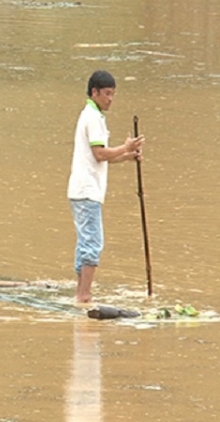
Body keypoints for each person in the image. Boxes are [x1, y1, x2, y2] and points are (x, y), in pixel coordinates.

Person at [67, 70, 145, 303]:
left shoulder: (92, 115)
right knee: (92, 242)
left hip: (81, 190)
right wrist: (126, 146)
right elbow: (100, 153)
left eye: (113, 94)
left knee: (85, 242)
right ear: (95, 92)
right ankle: (84, 295)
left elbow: (102, 157)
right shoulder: (92, 117)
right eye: (107, 94)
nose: (110, 99)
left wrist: (128, 155)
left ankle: (80, 292)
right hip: (87, 191)